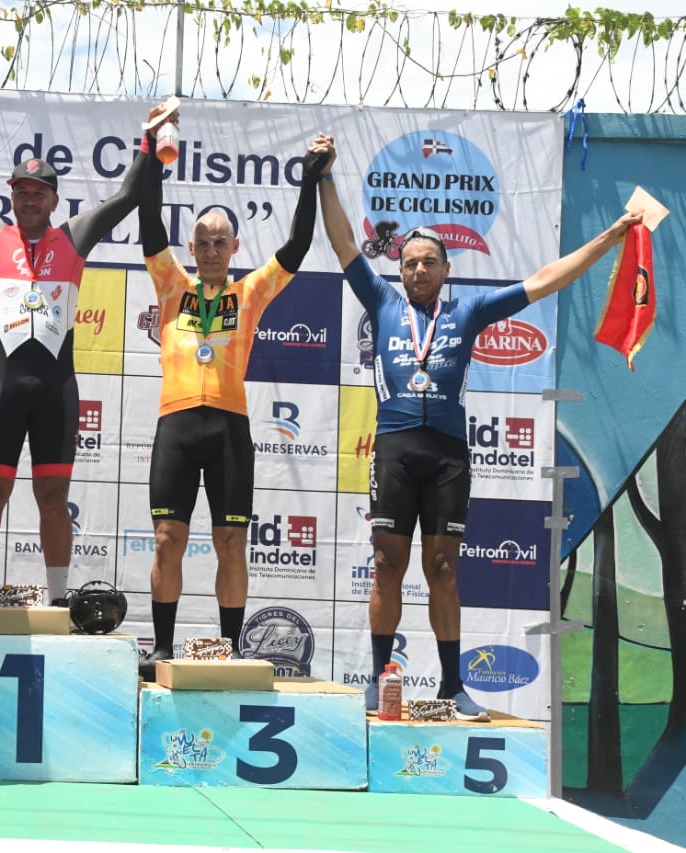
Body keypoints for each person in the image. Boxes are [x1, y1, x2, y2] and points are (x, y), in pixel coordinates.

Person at [314, 132, 642, 720]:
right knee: (388, 564)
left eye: (428, 262)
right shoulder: (382, 302)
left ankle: (451, 685)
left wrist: (610, 236)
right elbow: (341, 240)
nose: (417, 269)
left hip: (447, 455)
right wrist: (325, 176)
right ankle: (379, 675)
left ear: (445, 269)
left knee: (442, 568)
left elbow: (546, 279)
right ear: (402, 269)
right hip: (393, 448)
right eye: (410, 262)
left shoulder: (470, 310)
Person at [0, 104, 153, 608]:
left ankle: (59, 600)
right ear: (10, 196)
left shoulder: (74, 238)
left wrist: (148, 139)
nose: (29, 200)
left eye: (38, 193)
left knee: (53, 501)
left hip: (56, 390)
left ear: (55, 199)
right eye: (21, 192)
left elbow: (127, 196)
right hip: (2, 387)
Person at [136, 113, 323, 681]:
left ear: (234, 246)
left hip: (229, 431)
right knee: (168, 539)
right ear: (190, 246)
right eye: (203, 241)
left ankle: (230, 648)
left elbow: (297, 244)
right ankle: (162, 648)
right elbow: (148, 221)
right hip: (176, 425)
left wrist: (310, 179)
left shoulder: (251, 292)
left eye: (221, 242)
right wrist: (151, 151)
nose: (212, 249)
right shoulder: (173, 284)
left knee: (230, 541)